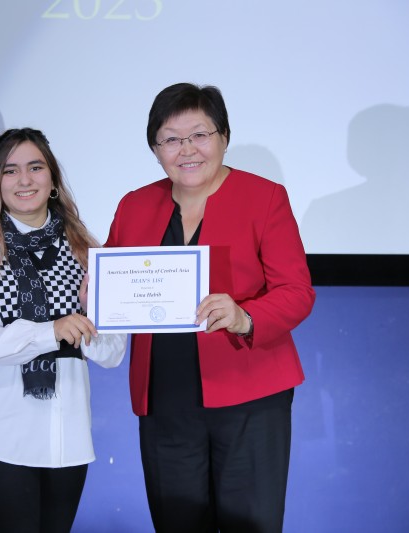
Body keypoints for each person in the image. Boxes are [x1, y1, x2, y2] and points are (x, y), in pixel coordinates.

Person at [105, 83, 315, 532]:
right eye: (170, 139)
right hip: (165, 401)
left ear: (224, 137)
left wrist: (245, 317)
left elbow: (297, 291)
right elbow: (115, 284)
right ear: (155, 149)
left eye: (199, 135)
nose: (187, 150)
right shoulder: (134, 205)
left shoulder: (264, 197)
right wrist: (97, 294)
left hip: (250, 396)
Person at [0, 127, 126, 533]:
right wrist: (51, 330)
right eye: (10, 171)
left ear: (53, 179)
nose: (24, 180)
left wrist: (88, 312)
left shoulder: (86, 249)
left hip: (67, 438)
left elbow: (112, 353)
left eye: (35, 167)